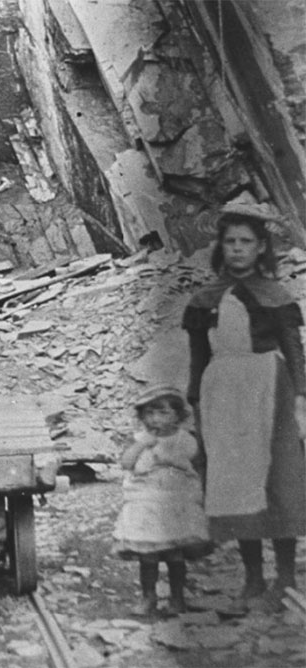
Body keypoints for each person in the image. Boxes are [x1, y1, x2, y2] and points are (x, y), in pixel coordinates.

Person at [183, 211, 306, 615]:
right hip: (223, 394)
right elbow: (198, 358)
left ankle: (285, 579)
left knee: (277, 480)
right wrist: (196, 405)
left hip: (270, 387)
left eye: (246, 242)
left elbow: (295, 352)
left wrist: (302, 398)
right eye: (231, 241)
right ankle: (253, 579)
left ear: (261, 247)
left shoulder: (276, 295)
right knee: (235, 483)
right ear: (222, 247)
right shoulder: (205, 300)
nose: (237, 248)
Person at [112, 385, 212, 617]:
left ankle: (177, 598)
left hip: (174, 503)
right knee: (148, 554)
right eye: (149, 413)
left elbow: (193, 462)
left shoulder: (183, 440)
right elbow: (126, 463)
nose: (155, 419)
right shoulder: (140, 439)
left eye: (163, 413)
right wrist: (141, 445)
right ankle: (149, 597)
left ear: (178, 416)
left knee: (174, 553)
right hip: (145, 504)